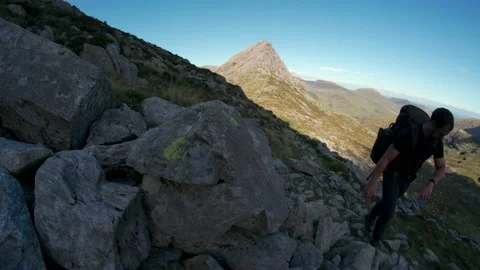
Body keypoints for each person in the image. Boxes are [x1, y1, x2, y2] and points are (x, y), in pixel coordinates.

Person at [363, 108, 454, 246]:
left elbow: (441, 168)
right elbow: (386, 158)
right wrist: (372, 182)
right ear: (433, 124)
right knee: (389, 210)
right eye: (441, 133)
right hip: (391, 173)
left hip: (406, 179)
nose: (441, 138)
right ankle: (375, 240)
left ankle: (369, 217)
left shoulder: (436, 143)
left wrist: (431, 183)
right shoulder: (409, 133)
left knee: (387, 203)